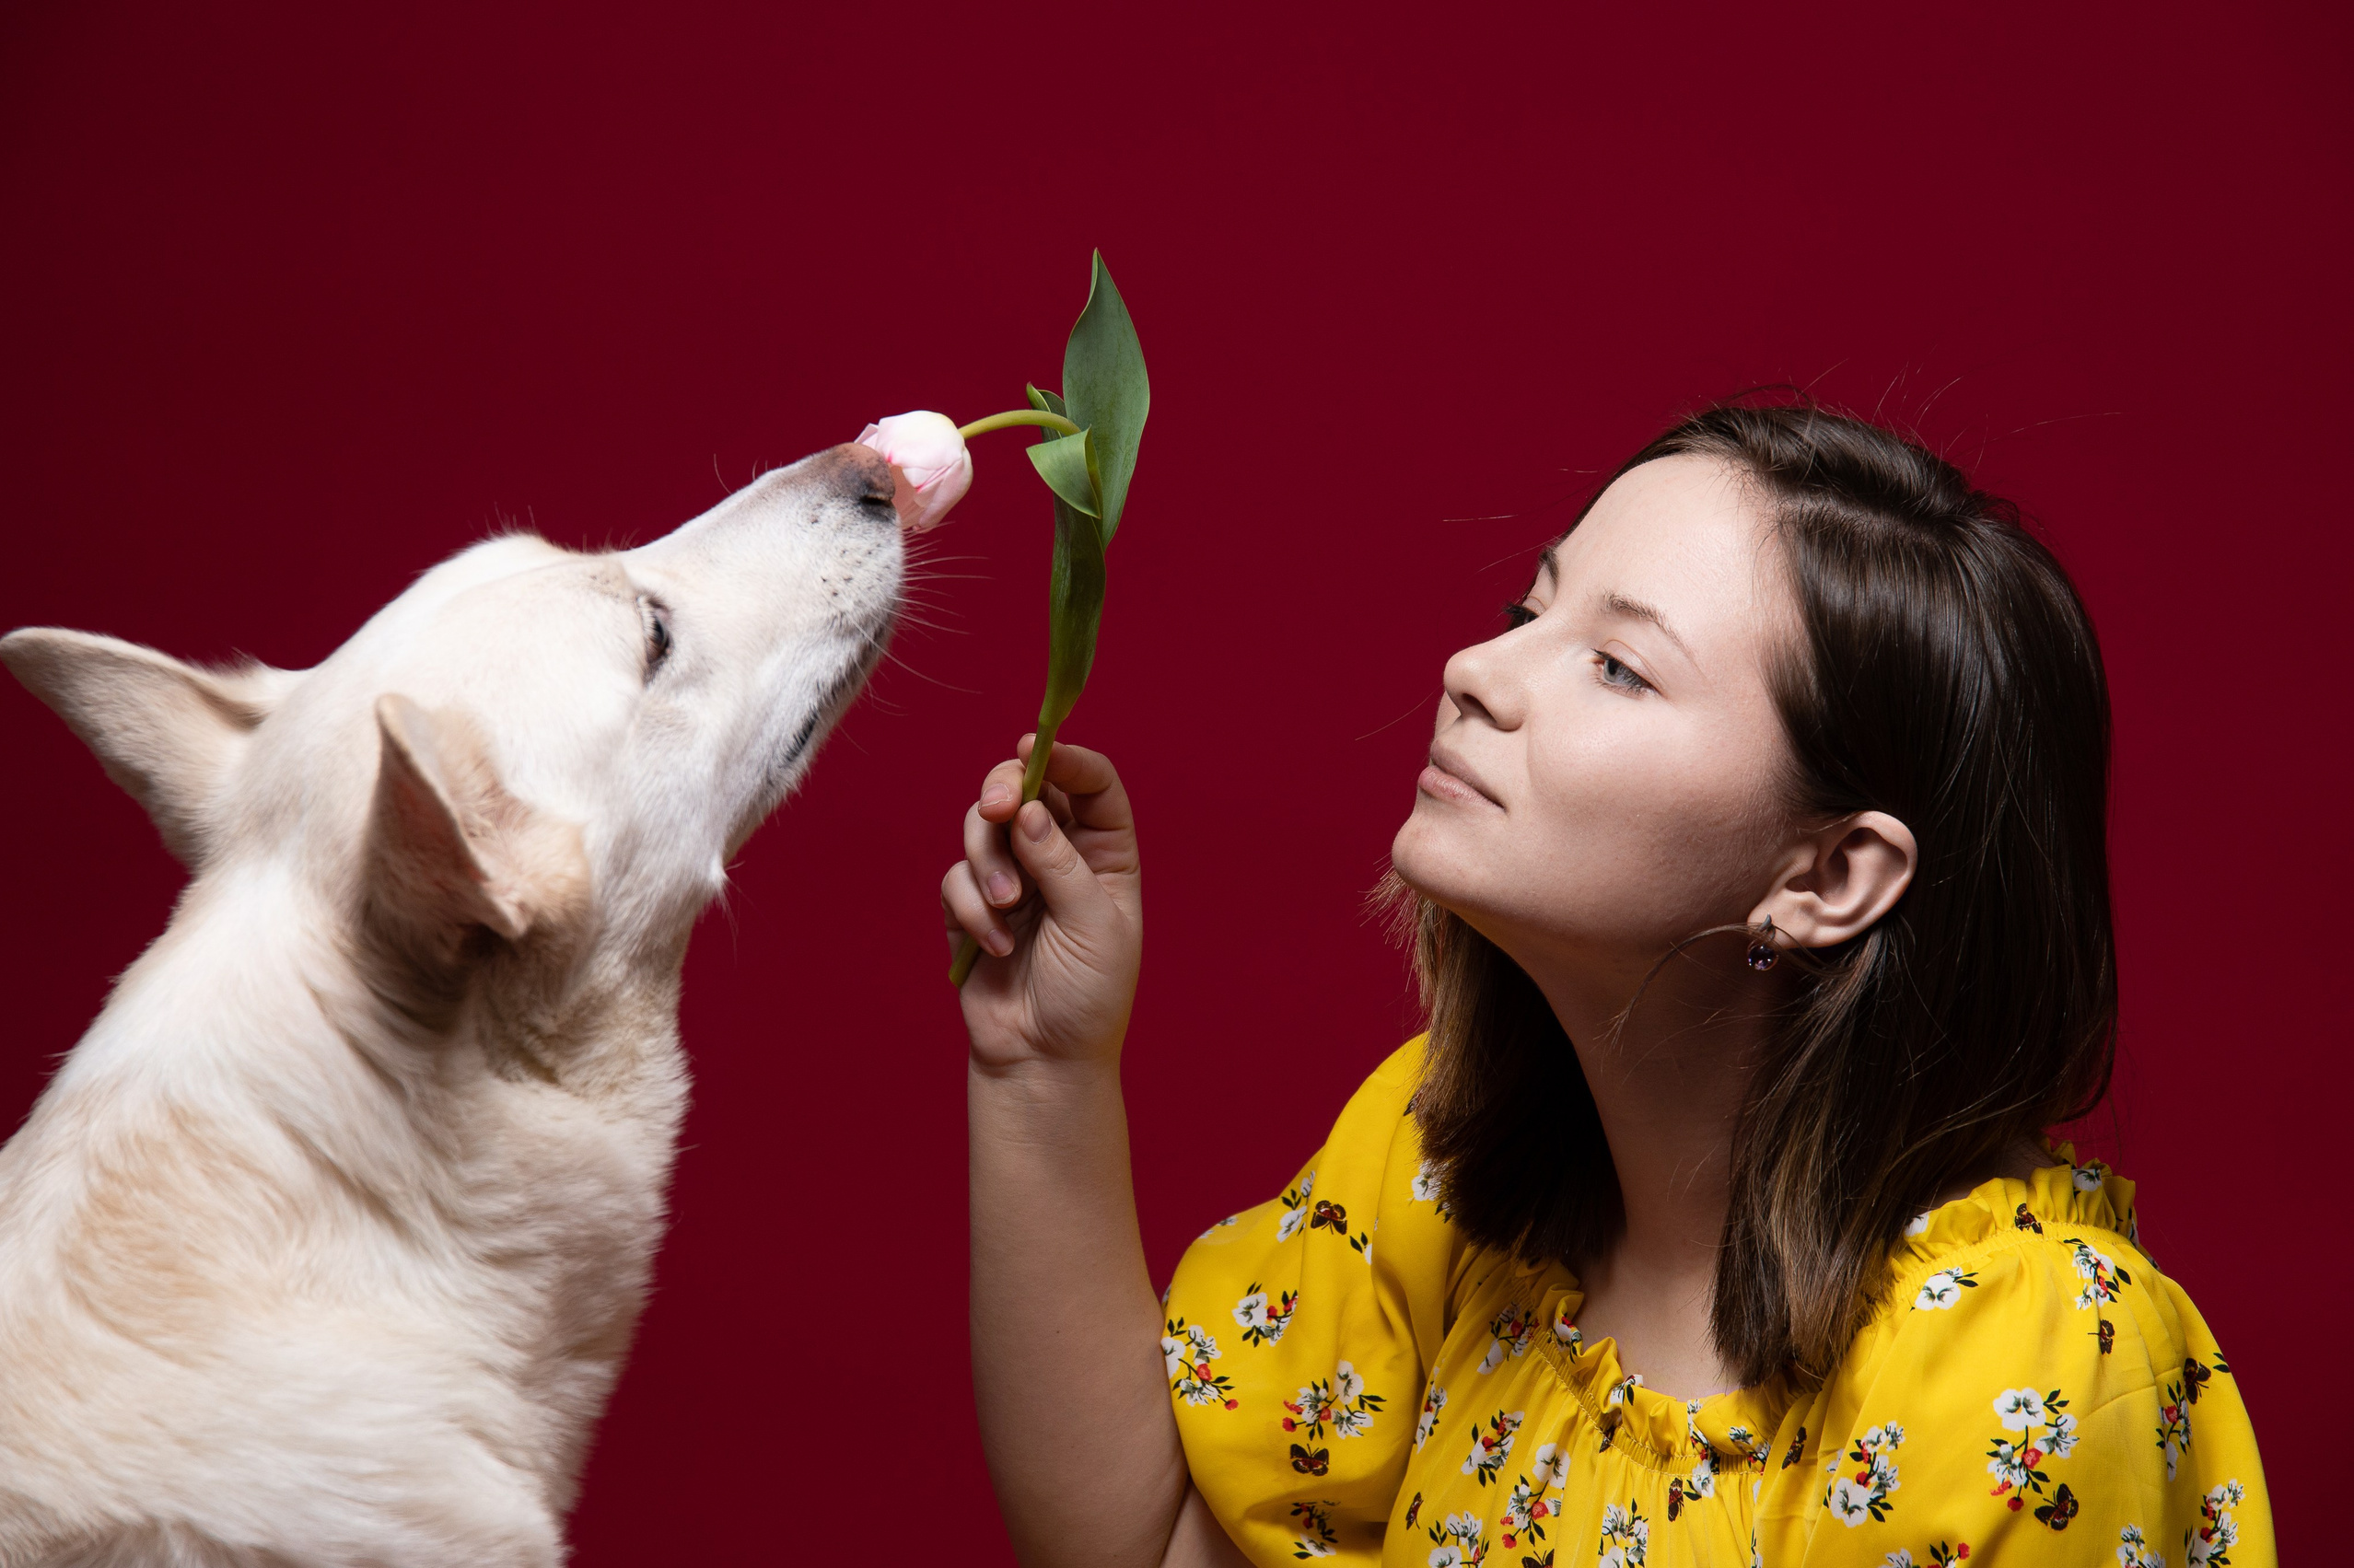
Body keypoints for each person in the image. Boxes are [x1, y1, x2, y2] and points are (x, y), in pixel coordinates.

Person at [941, 403, 2273, 1567]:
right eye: (1532, 608)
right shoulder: (1438, 1170)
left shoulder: (2030, 1359)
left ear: (1830, 875)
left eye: (1620, 667)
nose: (1476, 672)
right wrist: (1040, 1066)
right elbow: (1152, 1547)